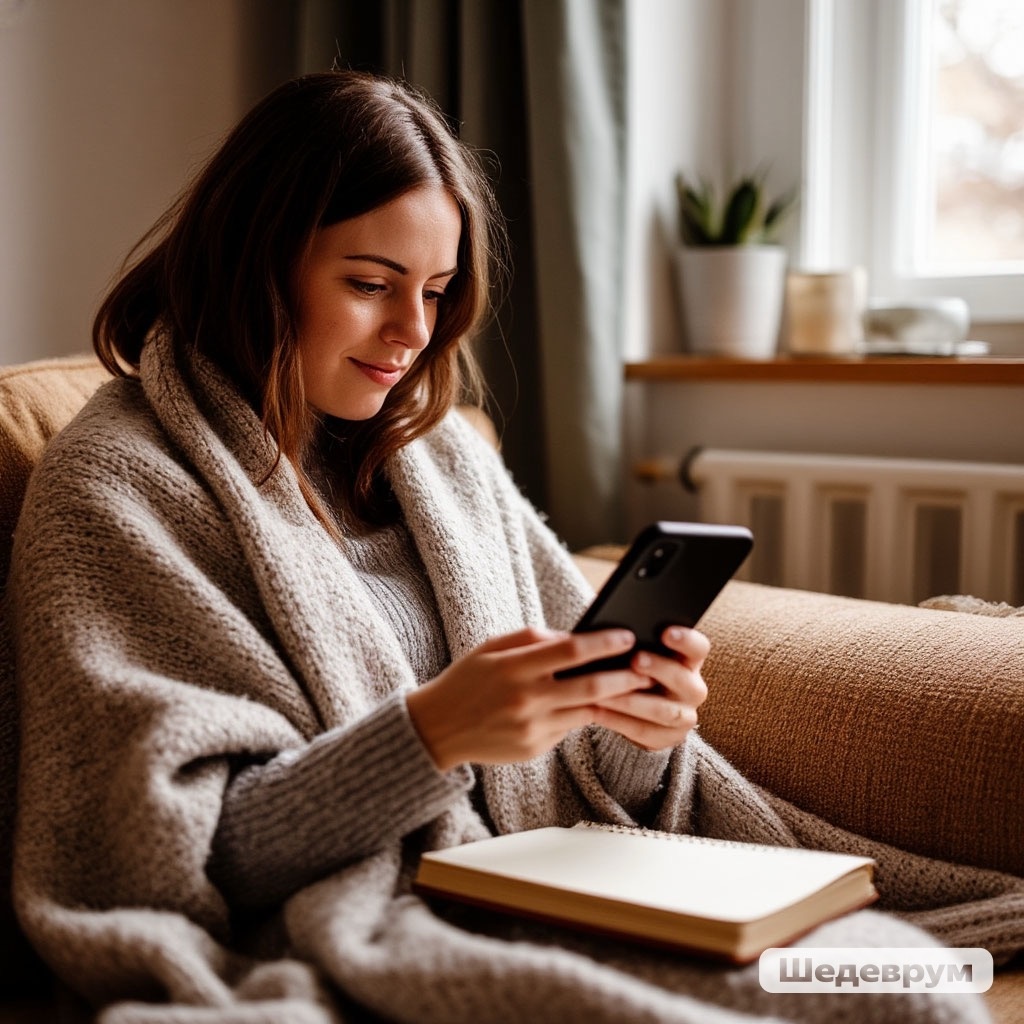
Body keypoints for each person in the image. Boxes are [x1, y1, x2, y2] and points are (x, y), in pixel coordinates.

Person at [9, 70, 1018, 1024]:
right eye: (371, 281)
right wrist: (430, 736)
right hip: (376, 925)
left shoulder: (436, 457)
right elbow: (168, 863)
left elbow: (584, 778)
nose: (412, 330)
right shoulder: (117, 488)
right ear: (257, 260)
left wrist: (632, 723)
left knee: (909, 977)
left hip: (554, 881)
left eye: (438, 290)